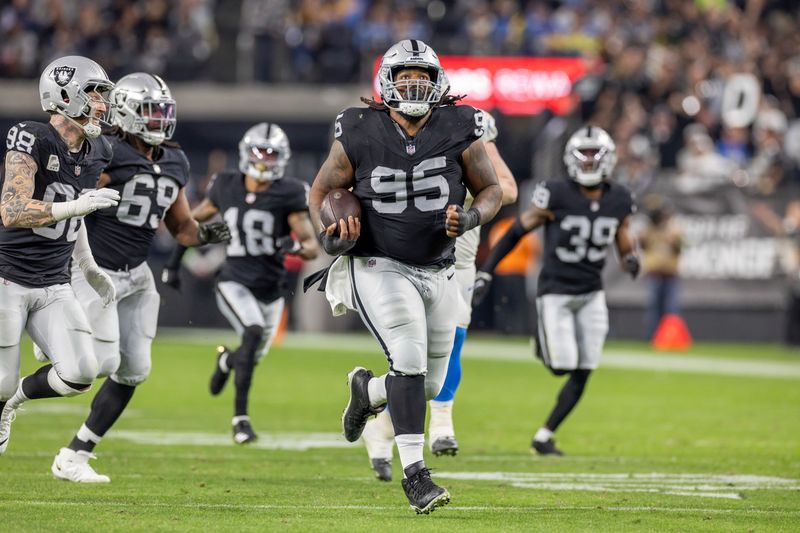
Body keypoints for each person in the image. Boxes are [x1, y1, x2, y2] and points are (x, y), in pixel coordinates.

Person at [307, 39, 502, 514]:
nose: (413, 85)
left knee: (429, 385)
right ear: (386, 82)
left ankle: (367, 391)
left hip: (439, 268)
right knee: (410, 359)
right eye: (404, 77)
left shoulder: (461, 125)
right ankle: (416, 476)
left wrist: (472, 219)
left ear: (438, 83)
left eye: (422, 77)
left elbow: (492, 188)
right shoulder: (358, 127)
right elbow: (321, 191)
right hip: (377, 262)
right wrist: (329, 236)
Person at [42, 72, 231, 482]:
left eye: (164, 111)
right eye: (151, 111)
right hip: (96, 271)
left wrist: (215, 232)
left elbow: (182, 227)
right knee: (98, 364)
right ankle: (43, 348)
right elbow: (71, 195)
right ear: (125, 111)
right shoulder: (106, 152)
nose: (160, 119)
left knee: (133, 370)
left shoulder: (175, 160)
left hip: (138, 275)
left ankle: (76, 453)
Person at [360, 109, 518, 482]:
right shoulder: (418, 145)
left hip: (458, 262)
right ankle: (381, 422)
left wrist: (482, 152)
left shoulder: (470, 138)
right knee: (412, 359)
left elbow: (506, 189)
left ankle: (440, 422)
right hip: (414, 259)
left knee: (450, 343)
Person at [472, 125, 639, 456]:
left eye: (595, 155)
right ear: (571, 158)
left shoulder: (620, 197)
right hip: (556, 292)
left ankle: (544, 436)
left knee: (585, 367)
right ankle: (542, 342)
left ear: (608, 159)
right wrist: (487, 272)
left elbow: (622, 232)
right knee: (562, 365)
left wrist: (630, 257)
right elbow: (517, 231)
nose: (589, 162)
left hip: (592, 292)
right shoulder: (556, 193)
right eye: (584, 155)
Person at [162, 122, 319, 444]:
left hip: (271, 288)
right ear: (247, 153)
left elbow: (311, 245)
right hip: (233, 279)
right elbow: (190, 225)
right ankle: (240, 420)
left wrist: (295, 247)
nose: (264, 160)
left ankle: (226, 360)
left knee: (252, 353)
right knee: (252, 332)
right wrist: (173, 265)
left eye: (271, 154)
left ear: (283, 158)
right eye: (260, 152)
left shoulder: (289, 192)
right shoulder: (227, 184)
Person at [0, 56, 121, 456]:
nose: (102, 104)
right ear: (64, 94)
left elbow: (78, 212)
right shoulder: (31, 136)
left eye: (103, 95)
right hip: (8, 277)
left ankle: (10, 405)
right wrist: (76, 207)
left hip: (54, 282)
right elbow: (12, 210)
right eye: (94, 93)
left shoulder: (97, 150)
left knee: (83, 373)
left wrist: (88, 267)